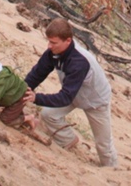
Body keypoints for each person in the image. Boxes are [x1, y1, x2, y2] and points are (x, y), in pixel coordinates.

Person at [23, 18, 118, 167]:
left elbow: (65, 97)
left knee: (103, 145)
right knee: (48, 115)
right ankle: (67, 140)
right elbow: (38, 73)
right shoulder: (53, 52)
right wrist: (23, 89)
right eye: (49, 41)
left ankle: (112, 171)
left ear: (68, 41)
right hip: (74, 93)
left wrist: (36, 98)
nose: (49, 46)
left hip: (95, 101)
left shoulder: (79, 61)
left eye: (53, 42)